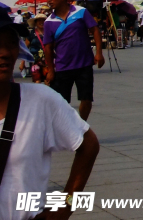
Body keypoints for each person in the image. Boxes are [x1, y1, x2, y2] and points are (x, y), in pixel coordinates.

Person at [0, 12, 102, 220]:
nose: (5, 53)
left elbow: (88, 144)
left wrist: (66, 207)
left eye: (10, 43)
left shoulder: (40, 100)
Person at [42, 0, 105, 121]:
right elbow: (47, 48)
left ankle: (81, 126)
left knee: (86, 99)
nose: (49, 0)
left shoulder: (80, 12)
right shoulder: (49, 22)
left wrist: (99, 53)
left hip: (84, 64)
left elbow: (95, 30)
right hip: (63, 66)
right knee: (61, 102)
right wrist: (51, 70)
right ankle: (67, 129)